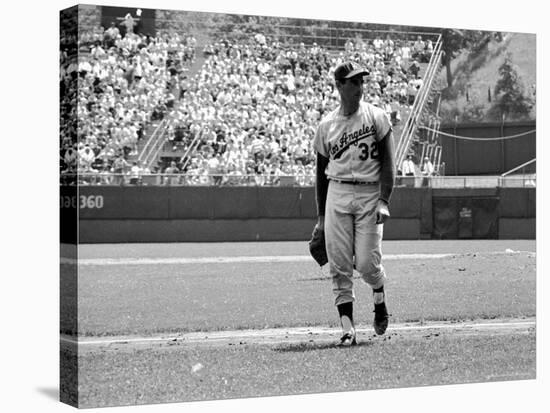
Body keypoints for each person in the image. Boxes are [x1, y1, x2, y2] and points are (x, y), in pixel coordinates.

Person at [313, 61, 396, 347]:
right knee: (338, 265)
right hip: (337, 192)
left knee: (366, 264)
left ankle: (379, 296)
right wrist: (321, 218)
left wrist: (384, 199)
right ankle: (347, 328)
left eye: (361, 81)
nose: (359, 87)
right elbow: (320, 174)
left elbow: (389, 162)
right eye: (353, 82)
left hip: (370, 193)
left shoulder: (376, 117)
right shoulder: (326, 126)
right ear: (339, 86)